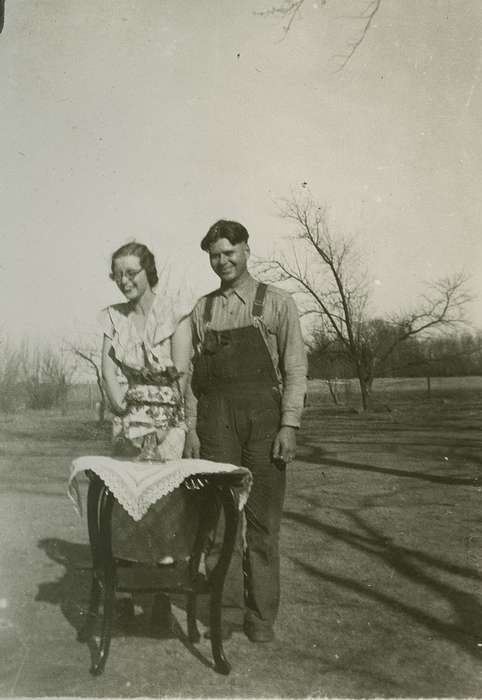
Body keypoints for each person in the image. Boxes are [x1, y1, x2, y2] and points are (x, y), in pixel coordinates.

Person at [184, 219, 307, 643]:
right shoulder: (202, 310)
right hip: (215, 420)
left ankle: (260, 617)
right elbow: (191, 380)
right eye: (215, 255)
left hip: (264, 421)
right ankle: (228, 611)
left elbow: (295, 369)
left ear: (247, 250)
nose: (222, 262)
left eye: (229, 252)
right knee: (221, 523)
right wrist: (191, 430)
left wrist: (288, 425)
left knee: (262, 524)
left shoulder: (277, 303)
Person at [99, 241, 194, 627]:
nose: (124, 281)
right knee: (125, 508)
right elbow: (107, 370)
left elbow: (181, 370)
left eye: (131, 273)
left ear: (148, 271)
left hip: (169, 424)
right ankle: (123, 593)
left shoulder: (176, 312)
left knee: (163, 509)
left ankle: (160, 599)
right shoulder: (112, 318)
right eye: (118, 274)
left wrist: (157, 415)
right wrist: (122, 407)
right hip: (127, 424)